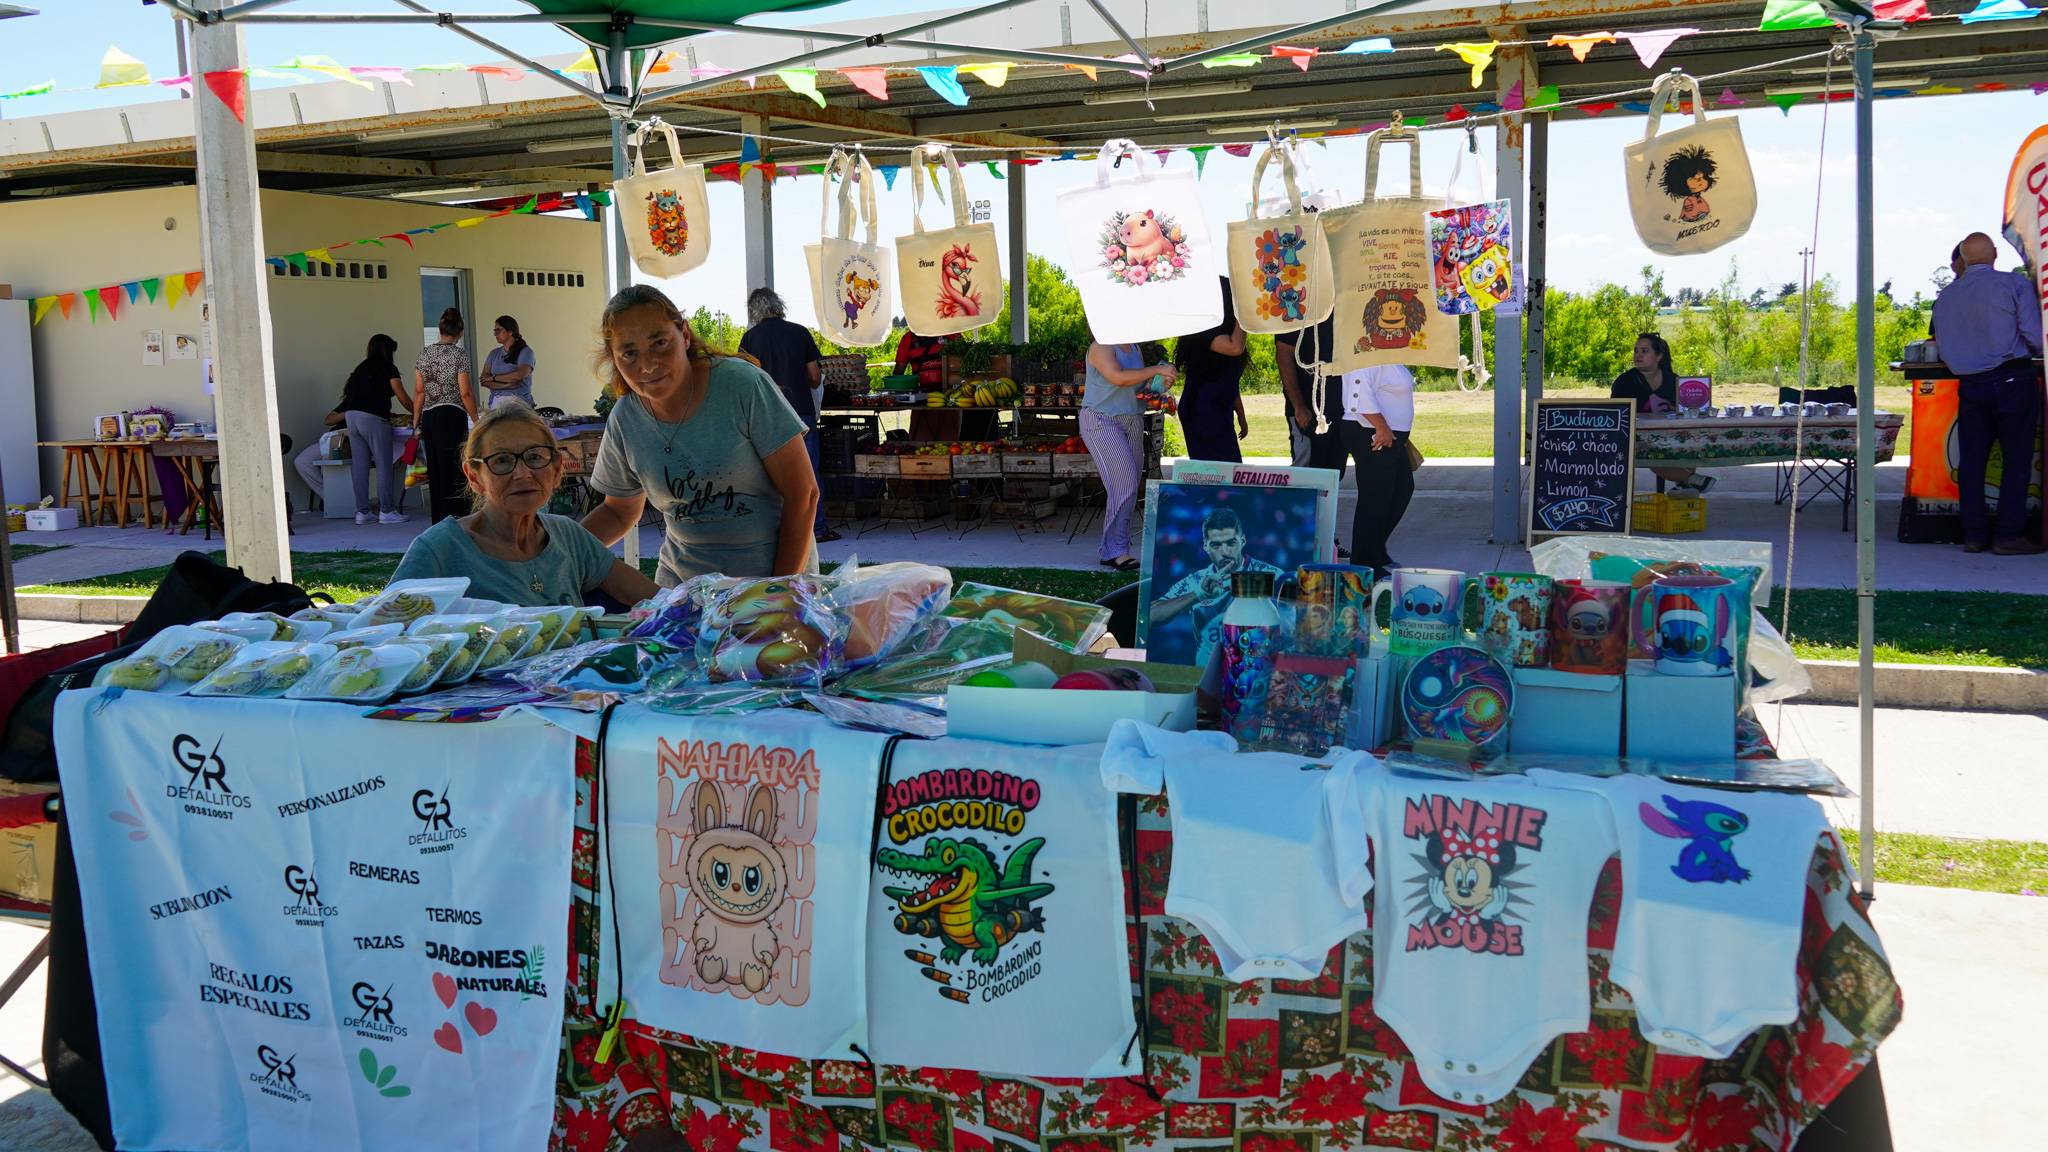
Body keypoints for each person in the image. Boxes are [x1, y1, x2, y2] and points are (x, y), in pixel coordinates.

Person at [579, 284, 820, 586]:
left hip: (773, 584)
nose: (648, 365)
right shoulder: (625, 418)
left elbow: (803, 494)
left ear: (684, 334)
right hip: (684, 590)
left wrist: (778, 592)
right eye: (629, 353)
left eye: (660, 342)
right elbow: (618, 512)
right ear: (614, 359)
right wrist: (559, 550)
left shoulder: (742, 386)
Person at [392, 402, 657, 607]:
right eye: (501, 460)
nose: (522, 473)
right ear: (474, 477)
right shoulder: (440, 551)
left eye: (535, 457)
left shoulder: (569, 537)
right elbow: (383, 632)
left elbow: (659, 602)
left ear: (556, 470)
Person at [1930, 231, 2046, 555]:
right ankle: (2008, 536)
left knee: (1972, 462)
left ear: (1962, 260)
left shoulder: (1946, 296)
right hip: (2013, 380)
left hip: (1970, 385)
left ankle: (1974, 535)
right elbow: (2035, 337)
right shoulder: (2014, 284)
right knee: (2016, 460)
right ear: (1994, 253)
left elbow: (1944, 347)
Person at [737, 288, 836, 543]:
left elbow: (744, 380)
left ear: (754, 311)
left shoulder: (749, 339)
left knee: (769, 474)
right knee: (809, 470)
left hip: (765, 416)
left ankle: (777, 528)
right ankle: (817, 528)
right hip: (800, 412)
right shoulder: (799, 332)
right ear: (778, 305)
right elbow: (814, 377)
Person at [1148, 506, 1284, 670]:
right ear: (1205, 546)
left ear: (1242, 541)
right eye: (1216, 545)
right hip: (1206, 676)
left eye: (1231, 543)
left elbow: (1299, 627)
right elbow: (1150, 617)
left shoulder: (1273, 576)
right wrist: (1199, 595)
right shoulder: (1196, 581)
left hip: (1256, 675)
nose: (1225, 552)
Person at [1080, 337, 1175, 572]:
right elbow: (1119, 377)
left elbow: (1136, 386)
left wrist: (1159, 385)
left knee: (1130, 485)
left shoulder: (1133, 347)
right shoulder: (1101, 346)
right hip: (1102, 420)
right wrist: (1156, 369)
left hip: (1132, 419)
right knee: (1125, 484)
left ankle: (1117, 548)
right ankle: (1114, 552)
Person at [1336, 364, 1417, 575]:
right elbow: (1358, 389)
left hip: (1387, 434)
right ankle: (1365, 561)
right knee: (1375, 497)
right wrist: (1381, 427)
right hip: (1371, 432)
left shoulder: (1388, 357)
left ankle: (1373, 549)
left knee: (1401, 489)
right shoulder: (1368, 355)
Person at [1610, 332, 1715, 494]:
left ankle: (1684, 486)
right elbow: (1616, 415)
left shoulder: (1673, 380)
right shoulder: (1624, 382)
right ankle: (1692, 480)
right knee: (1651, 452)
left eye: (1644, 351)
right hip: (1639, 440)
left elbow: (1687, 411)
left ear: (1659, 356)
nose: (1638, 355)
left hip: (1673, 436)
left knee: (1690, 443)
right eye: (1636, 351)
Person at [337, 333, 414, 525]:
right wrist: (419, 413)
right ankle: (386, 511)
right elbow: (403, 398)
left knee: (360, 465)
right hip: (373, 417)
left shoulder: (360, 368)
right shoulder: (388, 368)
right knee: (383, 463)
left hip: (351, 415)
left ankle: (362, 512)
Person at [1174, 277, 1250, 462]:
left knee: (1225, 470)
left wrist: (1241, 415)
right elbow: (1235, 347)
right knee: (1224, 470)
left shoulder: (1223, 332)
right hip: (1203, 411)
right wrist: (1245, 310)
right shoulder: (1202, 331)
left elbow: (1228, 380)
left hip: (1216, 409)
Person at [416, 307, 477, 523]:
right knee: (454, 469)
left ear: (440, 330)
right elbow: (465, 392)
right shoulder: (459, 354)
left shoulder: (424, 354)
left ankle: (439, 520)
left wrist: (416, 422)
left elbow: (419, 391)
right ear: (460, 333)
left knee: (435, 471)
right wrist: (476, 420)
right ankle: (457, 518)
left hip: (429, 417)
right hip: (452, 415)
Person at [1275, 317, 1345, 471]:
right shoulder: (1298, 310)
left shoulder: (1345, 309)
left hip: (1342, 409)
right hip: (1308, 411)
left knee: (1335, 472)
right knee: (1306, 472)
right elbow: (1283, 357)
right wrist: (1298, 406)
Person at [479, 315, 536, 409]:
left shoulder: (525, 352)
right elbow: (484, 381)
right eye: (494, 331)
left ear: (510, 332)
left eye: (498, 330)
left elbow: (519, 375)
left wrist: (493, 378)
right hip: (496, 405)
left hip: (519, 405)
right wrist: (506, 386)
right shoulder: (493, 354)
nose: (495, 334)